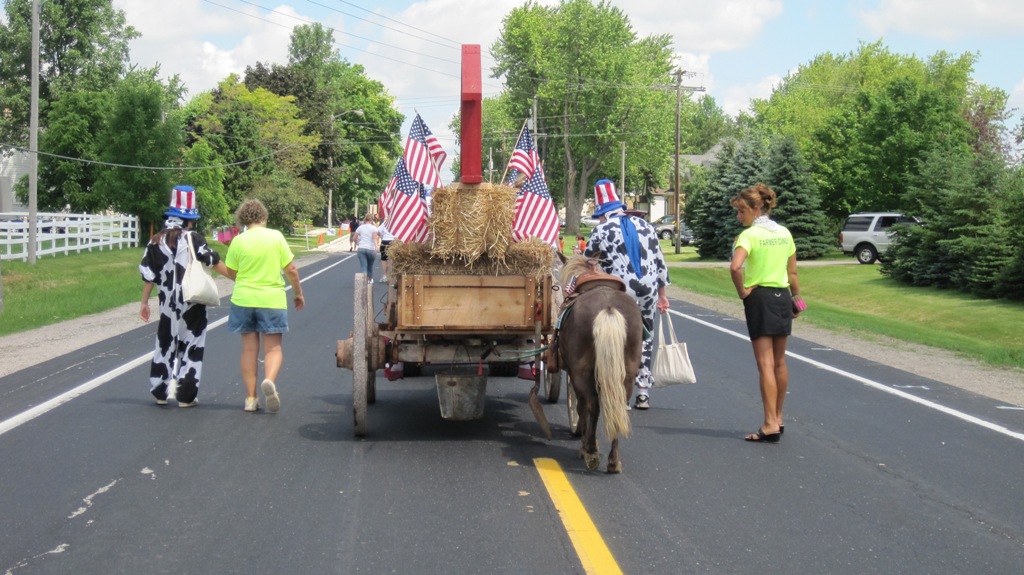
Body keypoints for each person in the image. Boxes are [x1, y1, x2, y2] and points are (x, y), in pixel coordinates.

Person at [139, 185, 229, 407]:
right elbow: (212, 261)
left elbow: (148, 274)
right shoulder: (194, 239)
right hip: (192, 303)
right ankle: (185, 396)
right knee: (192, 345)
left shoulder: (155, 241)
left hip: (167, 304)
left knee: (165, 343)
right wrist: (236, 277)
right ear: (189, 218)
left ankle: (160, 391)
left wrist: (143, 302)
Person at [584, 179, 670, 409]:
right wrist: (661, 294)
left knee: (618, 338)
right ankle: (643, 392)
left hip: (620, 290)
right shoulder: (647, 226)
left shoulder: (601, 229)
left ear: (602, 212)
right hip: (649, 288)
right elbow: (660, 261)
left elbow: (588, 262)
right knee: (645, 337)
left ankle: (621, 391)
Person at [729, 183, 803, 443]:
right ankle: (778, 417)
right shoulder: (784, 233)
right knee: (780, 362)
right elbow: (792, 272)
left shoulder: (749, 236)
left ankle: (769, 423)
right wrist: (796, 299)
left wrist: (742, 292)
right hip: (782, 296)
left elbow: (736, 267)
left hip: (759, 298)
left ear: (756, 208)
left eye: (741, 211)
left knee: (765, 364)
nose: (739, 217)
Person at [222, 199, 306, 413]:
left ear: (243, 218)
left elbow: (232, 272)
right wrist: (298, 293)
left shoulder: (238, 241)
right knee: (274, 348)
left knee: (249, 349)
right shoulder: (276, 237)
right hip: (271, 299)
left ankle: (250, 399)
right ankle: (269, 380)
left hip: (243, 300)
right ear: (263, 217)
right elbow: (292, 269)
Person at [353, 214, 381, 284]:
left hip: (362, 247)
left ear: (365, 220)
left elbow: (354, 238)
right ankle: (370, 279)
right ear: (372, 220)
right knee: (370, 265)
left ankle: (363, 280)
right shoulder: (374, 228)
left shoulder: (360, 228)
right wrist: (376, 247)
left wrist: (357, 243)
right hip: (370, 248)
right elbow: (375, 238)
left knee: (363, 266)